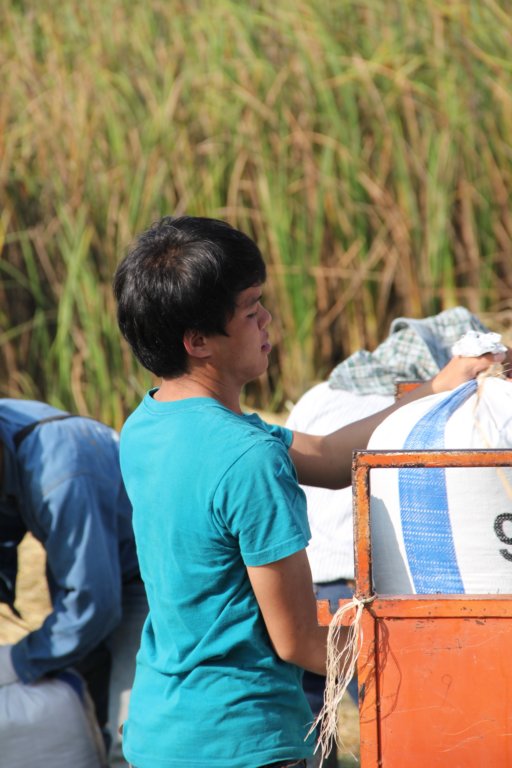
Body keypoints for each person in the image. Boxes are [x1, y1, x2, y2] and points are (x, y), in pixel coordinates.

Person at [112, 215, 502, 768]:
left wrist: (440, 386)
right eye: (251, 310)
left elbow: (330, 457)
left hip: (159, 733)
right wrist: (435, 654)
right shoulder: (249, 460)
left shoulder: (147, 424)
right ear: (197, 341)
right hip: (243, 741)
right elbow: (297, 639)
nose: (267, 319)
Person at [285, 307, 494, 767]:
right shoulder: (430, 410)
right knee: (400, 725)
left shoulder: (319, 395)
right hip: (360, 589)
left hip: (297, 582)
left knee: (310, 726)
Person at [0, 400, 148, 766]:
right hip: (84, 567)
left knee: (130, 740)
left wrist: (20, 660)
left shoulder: (60, 475)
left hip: (145, 579)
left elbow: (93, 604)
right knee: (87, 716)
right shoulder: (8, 431)